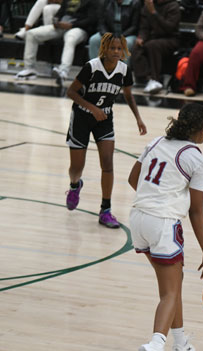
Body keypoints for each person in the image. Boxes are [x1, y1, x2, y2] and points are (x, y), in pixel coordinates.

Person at [128, 103, 203, 351]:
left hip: (138, 219)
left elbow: (133, 179)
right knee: (170, 292)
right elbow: (196, 211)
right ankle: (156, 346)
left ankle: (180, 344)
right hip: (162, 224)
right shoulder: (196, 158)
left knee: (173, 283)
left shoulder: (156, 142)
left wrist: (155, 196)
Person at [64, 33, 147, 228]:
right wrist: (92, 108)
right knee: (76, 168)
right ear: (104, 49)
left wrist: (138, 118)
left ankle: (105, 210)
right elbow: (71, 92)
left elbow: (128, 95)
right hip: (82, 118)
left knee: (108, 163)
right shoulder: (92, 67)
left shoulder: (124, 70)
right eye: (112, 48)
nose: (116, 52)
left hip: (105, 119)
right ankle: (75, 185)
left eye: (119, 48)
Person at [15, 0, 100, 86]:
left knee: (70, 38)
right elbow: (60, 12)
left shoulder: (93, 1)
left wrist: (72, 25)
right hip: (61, 26)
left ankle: (63, 71)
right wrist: (56, 21)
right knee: (31, 34)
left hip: (79, 28)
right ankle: (29, 68)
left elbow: (92, 20)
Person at [131, 0, 181, 94]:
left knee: (152, 45)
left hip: (170, 38)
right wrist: (141, 37)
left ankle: (155, 79)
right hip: (153, 38)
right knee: (137, 46)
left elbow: (169, 28)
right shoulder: (148, 6)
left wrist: (154, 12)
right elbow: (144, 28)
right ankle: (145, 78)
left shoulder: (173, 6)